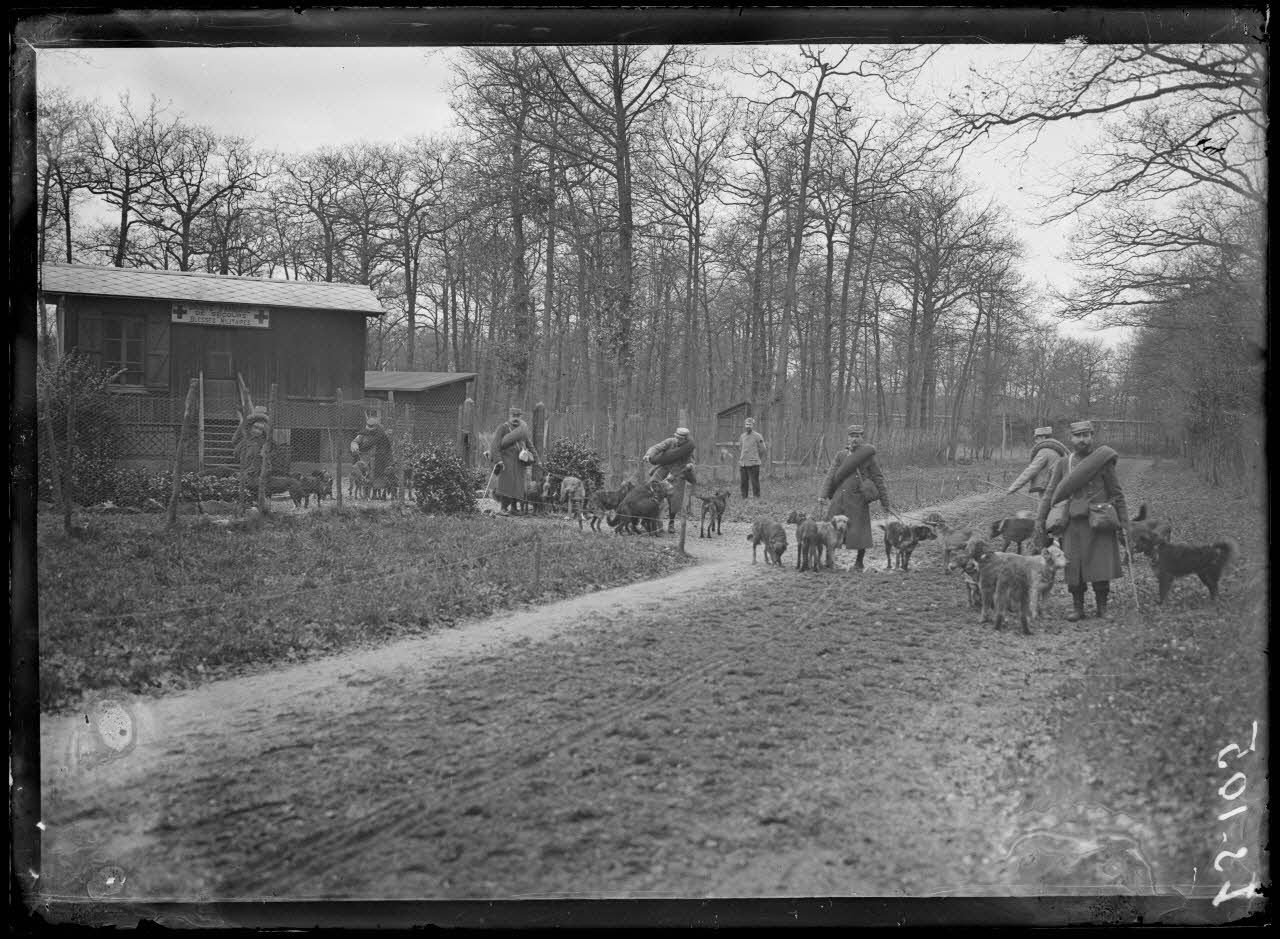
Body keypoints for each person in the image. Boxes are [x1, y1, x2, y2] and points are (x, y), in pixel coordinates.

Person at [1035, 420, 1129, 621]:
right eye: (1078, 436)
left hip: (1099, 521)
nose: (1082, 440)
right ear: (1071, 438)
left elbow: (1117, 493)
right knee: (1074, 568)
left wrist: (1124, 524)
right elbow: (1050, 493)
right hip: (1073, 523)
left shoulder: (1103, 461)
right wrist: (1040, 520)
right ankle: (1078, 608)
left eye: (1086, 435)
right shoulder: (1063, 463)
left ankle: (1102, 608)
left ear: (1092, 436)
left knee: (1100, 566)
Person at [818, 424, 891, 572]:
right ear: (847, 437)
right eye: (852, 436)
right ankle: (828, 560)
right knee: (829, 529)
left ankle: (859, 562)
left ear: (862, 438)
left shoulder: (868, 457)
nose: (854, 439)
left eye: (857, 436)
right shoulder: (841, 455)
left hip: (858, 500)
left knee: (861, 532)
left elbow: (878, 478)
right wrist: (823, 495)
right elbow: (831, 475)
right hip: (839, 499)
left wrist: (885, 501)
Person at [644, 426, 697, 533]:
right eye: (677, 437)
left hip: (679, 472)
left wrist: (690, 465)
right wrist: (648, 455)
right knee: (650, 488)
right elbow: (657, 447)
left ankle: (671, 522)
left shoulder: (688, 447)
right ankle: (648, 520)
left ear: (686, 439)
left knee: (675, 498)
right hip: (664, 467)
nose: (678, 440)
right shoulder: (670, 442)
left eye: (681, 438)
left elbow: (691, 460)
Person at [485, 407, 534, 514]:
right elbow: (495, 445)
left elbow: (529, 444)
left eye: (517, 416)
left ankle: (514, 508)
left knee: (518, 486)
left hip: (520, 462)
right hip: (506, 461)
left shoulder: (523, 430)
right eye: (513, 416)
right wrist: (498, 460)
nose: (515, 418)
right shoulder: (503, 428)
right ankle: (503, 508)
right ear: (509, 416)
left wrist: (537, 459)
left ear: (520, 417)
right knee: (506, 485)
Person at [1007, 425, 1068, 497]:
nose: (1035, 441)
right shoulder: (1059, 450)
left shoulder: (1044, 451)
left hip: (1049, 489)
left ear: (1043, 437)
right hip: (1059, 487)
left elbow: (1031, 471)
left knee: (1045, 508)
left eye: (1037, 438)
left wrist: (1013, 487)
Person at [350, 416, 394, 490]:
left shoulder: (382, 436)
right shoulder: (362, 434)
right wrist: (354, 447)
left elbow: (387, 448)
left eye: (372, 426)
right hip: (365, 459)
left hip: (378, 459)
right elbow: (355, 442)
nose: (370, 429)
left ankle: (376, 491)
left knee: (381, 474)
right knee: (360, 470)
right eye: (369, 426)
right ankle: (364, 489)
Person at [737, 417, 767, 499]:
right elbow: (741, 448)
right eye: (746, 424)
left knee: (754, 482)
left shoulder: (758, 436)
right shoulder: (742, 436)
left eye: (750, 424)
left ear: (753, 425)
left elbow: (763, 449)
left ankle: (756, 497)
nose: (748, 426)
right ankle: (744, 497)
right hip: (743, 463)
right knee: (743, 482)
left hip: (754, 463)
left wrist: (757, 458)